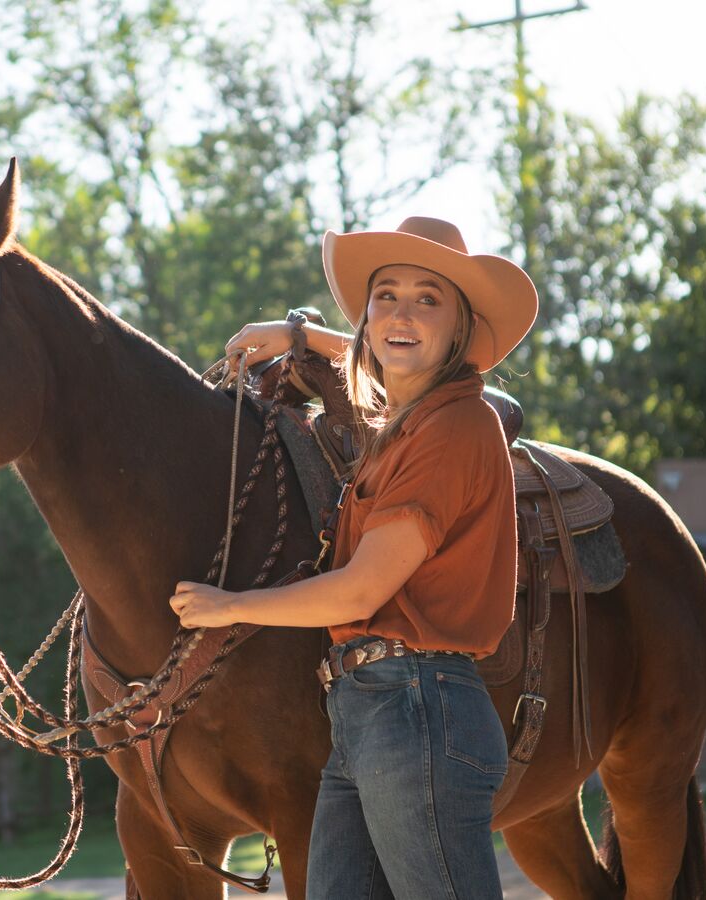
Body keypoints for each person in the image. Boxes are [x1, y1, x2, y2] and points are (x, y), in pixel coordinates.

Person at [169, 217, 537, 899]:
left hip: (419, 711)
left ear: (460, 329)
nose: (401, 313)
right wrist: (302, 339)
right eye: (385, 295)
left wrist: (231, 607)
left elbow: (361, 590)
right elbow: (383, 354)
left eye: (429, 299)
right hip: (367, 713)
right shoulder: (404, 422)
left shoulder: (454, 426)